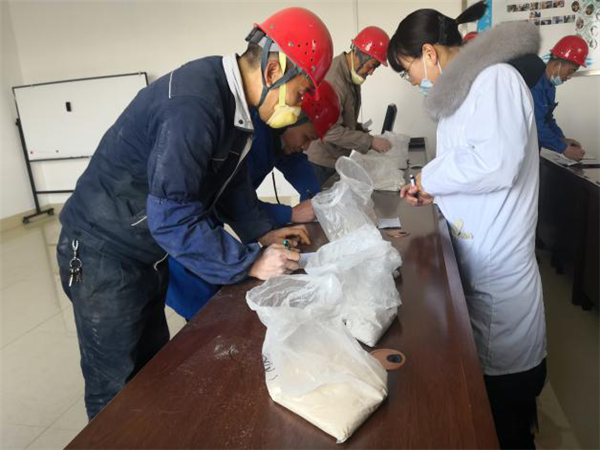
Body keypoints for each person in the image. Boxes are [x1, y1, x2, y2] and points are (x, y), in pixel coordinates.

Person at [56, 7, 333, 420]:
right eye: (298, 94)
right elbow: (172, 214)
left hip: (145, 252)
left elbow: (231, 184)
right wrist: (249, 262)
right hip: (102, 252)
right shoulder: (195, 104)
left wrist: (262, 233)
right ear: (274, 69)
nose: (295, 108)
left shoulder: (235, 105)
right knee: (116, 387)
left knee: (151, 371)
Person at [389, 3, 547, 448]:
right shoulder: (462, 93)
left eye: (408, 69)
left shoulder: (495, 79)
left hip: (499, 270)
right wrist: (435, 191)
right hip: (475, 257)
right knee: (482, 400)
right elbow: (468, 168)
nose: (413, 80)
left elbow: (496, 164)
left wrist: (431, 177)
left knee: (507, 409)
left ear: (429, 52)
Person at [167, 81, 341, 321]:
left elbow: (294, 166)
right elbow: (229, 199)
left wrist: (315, 200)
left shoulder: (278, 136)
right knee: (208, 312)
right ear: (291, 118)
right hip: (177, 233)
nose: (305, 146)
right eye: (306, 137)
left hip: (202, 222)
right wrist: (286, 217)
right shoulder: (251, 134)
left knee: (223, 292)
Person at [306, 26, 393, 185]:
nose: (371, 72)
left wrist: (356, 127)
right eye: (371, 65)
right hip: (321, 161)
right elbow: (328, 130)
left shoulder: (351, 73)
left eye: (376, 67)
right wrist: (369, 141)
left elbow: (339, 114)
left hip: (334, 156)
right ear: (359, 53)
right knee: (319, 199)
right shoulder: (334, 80)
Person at [531, 35, 589, 160]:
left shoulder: (550, 87)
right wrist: (563, 148)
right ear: (557, 64)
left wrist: (562, 139)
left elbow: (547, 118)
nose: (570, 77)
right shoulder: (534, 84)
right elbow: (536, 126)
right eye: (570, 71)